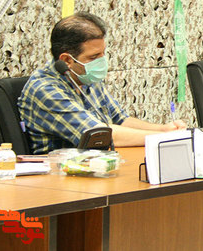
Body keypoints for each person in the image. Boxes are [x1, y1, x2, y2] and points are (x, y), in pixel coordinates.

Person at [19, 12, 187, 154]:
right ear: (67, 60)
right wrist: (163, 138)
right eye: (94, 57)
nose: (101, 61)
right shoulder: (45, 90)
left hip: (96, 165)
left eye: (102, 54)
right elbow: (100, 136)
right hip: (61, 175)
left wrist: (163, 129)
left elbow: (120, 120)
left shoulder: (85, 76)